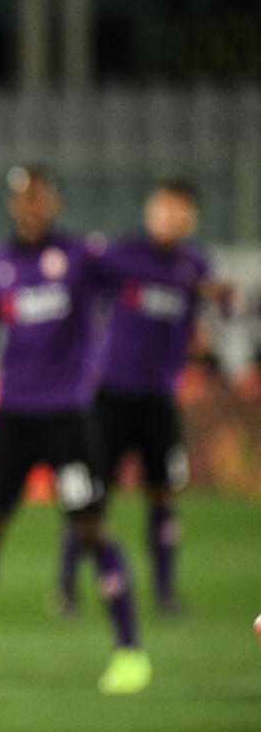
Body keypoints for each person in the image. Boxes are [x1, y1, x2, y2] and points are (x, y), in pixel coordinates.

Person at [0, 166, 151, 695]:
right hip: (14, 419)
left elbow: (139, 275)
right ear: (12, 205)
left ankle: (130, 652)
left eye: (39, 197)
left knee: (93, 529)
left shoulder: (81, 258)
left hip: (69, 420)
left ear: (53, 203)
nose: (30, 206)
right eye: (22, 198)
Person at [58, 180, 229, 615]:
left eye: (181, 211)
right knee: (93, 494)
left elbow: (202, 320)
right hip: (111, 395)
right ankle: (67, 589)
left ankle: (165, 593)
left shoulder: (195, 266)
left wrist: (206, 333)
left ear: (191, 218)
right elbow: (80, 280)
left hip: (159, 401)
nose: (172, 218)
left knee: (165, 494)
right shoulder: (123, 256)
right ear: (152, 212)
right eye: (165, 209)